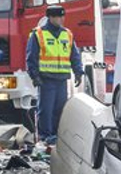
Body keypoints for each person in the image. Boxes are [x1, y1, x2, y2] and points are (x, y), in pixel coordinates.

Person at [26, 5, 84, 145]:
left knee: (60, 109)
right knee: (46, 109)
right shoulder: (38, 34)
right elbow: (31, 57)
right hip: (46, 79)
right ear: (50, 17)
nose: (61, 19)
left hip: (62, 79)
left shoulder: (67, 34)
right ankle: (45, 136)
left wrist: (78, 72)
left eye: (62, 16)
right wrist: (35, 76)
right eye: (58, 16)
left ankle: (57, 136)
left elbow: (74, 55)